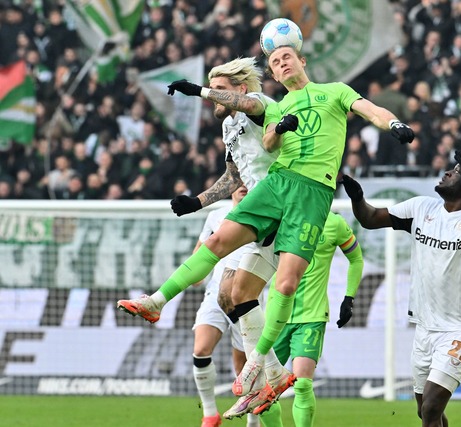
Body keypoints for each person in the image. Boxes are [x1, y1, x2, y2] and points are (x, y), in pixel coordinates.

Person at [118, 41, 414, 415]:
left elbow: (364, 109)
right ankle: (157, 303)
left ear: (301, 60)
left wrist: (393, 124)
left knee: (278, 285)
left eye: (287, 56)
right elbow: (245, 162)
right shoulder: (259, 114)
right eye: (275, 60)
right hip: (273, 187)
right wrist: (198, 201)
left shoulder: (315, 95)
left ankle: (260, 365)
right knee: (229, 275)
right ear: (273, 72)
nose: (281, 62)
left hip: (310, 194)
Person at [118, 57, 291, 418]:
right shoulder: (230, 128)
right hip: (261, 210)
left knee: (213, 247)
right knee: (231, 296)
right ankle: (274, 374)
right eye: (212, 93)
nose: (215, 100)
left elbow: (249, 104)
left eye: (221, 91)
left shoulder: (261, 106)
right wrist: (197, 201)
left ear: (241, 88)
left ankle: (157, 302)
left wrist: (198, 89)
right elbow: (234, 176)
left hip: (278, 202)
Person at [341, 150, 461, 427]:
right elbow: (370, 219)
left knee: (430, 406)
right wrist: (358, 198)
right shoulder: (421, 208)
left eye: (456, 171)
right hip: (425, 327)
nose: (447, 172)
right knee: (427, 412)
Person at [259, 211, 363, 427]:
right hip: (275, 316)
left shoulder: (335, 223)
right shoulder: (283, 216)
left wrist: (349, 297)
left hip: (312, 315)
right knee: (264, 389)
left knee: (303, 384)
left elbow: (356, 258)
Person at [190, 185, 260, 427]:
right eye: (237, 180)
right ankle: (210, 414)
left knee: (243, 367)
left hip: (246, 299)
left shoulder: (263, 216)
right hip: (214, 294)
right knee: (201, 348)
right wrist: (192, 274)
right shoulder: (216, 216)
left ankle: (253, 421)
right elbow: (200, 254)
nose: (243, 185)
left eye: (247, 180)